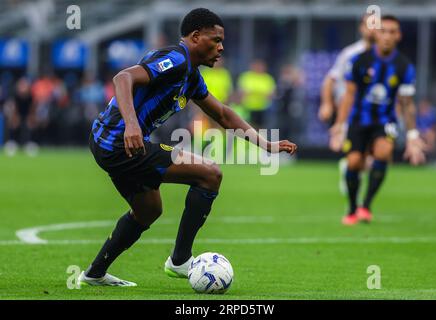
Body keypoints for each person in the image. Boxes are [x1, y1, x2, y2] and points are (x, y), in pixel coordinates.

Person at [78, 8, 297, 287]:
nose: (220, 47)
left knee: (148, 210)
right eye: (215, 40)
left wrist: (265, 143)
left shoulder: (191, 76)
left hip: (116, 145)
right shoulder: (176, 59)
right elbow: (123, 78)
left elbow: (223, 114)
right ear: (195, 37)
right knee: (209, 174)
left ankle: (94, 274)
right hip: (117, 142)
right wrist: (131, 125)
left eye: (222, 42)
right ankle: (180, 260)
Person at [329, 15, 426, 226]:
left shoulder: (404, 66)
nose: (387, 36)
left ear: (398, 36)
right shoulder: (359, 60)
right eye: (384, 31)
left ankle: (366, 205)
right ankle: (353, 207)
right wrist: (339, 124)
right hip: (358, 120)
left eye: (392, 32)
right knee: (354, 162)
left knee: (383, 152)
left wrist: (412, 134)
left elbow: (407, 102)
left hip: (386, 120)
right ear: (376, 33)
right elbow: (349, 95)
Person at [319, 14, 376, 194]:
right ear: (362, 28)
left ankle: (351, 171)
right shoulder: (350, 53)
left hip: (375, 111)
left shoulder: (385, 56)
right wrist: (327, 104)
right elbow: (330, 79)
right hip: (351, 110)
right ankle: (351, 174)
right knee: (357, 155)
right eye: (370, 25)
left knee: (369, 159)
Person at [237, 59, 276, 128]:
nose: (258, 68)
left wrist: (253, 93)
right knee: (248, 126)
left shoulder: (268, 78)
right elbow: (242, 92)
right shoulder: (246, 77)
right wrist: (261, 93)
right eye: (256, 66)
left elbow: (271, 94)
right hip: (248, 107)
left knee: (261, 127)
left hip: (263, 108)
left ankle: (259, 138)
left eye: (260, 66)